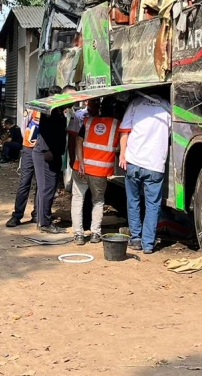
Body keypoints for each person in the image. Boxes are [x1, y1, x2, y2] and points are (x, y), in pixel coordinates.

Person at [119, 92, 171, 255]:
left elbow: (124, 131)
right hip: (155, 164)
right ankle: (148, 244)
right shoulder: (167, 107)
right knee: (153, 205)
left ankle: (135, 239)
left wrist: (122, 154)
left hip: (134, 161)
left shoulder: (135, 103)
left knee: (133, 201)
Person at [71, 98, 118, 245]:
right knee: (98, 201)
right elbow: (121, 148)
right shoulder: (117, 125)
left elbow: (78, 141)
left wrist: (81, 162)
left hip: (81, 169)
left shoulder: (88, 122)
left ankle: (78, 235)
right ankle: (95, 234)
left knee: (78, 199)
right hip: (100, 171)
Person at [34, 97, 67, 233]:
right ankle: (44, 223)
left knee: (46, 189)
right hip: (46, 154)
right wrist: (47, 149)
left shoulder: (59, 112)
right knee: (47, 189)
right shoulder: (50, 112)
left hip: (53, 153)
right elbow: (44, 130)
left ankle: (42, 219)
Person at [5, 109, 40, 227]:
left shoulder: (56, 112)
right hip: (29, 149)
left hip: (43, 151)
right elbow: (24, 127)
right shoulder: (33, 110)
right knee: (24, 182)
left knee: (41, 184)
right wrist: (29, 143)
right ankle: (17, 215)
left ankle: (37, 214)